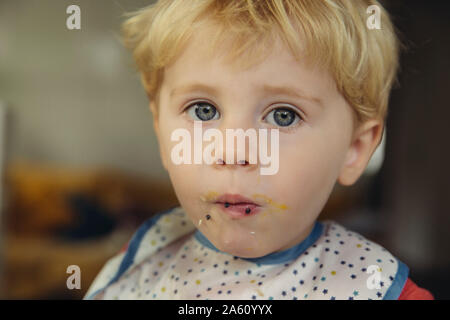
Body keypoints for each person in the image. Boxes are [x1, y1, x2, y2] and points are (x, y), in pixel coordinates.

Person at [85, 0, 433, 300]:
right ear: (162, 132)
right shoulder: (144, 262)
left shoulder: (377, 286)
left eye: (283, 116)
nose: (235, 153)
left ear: (354, 150)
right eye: (203, 110)